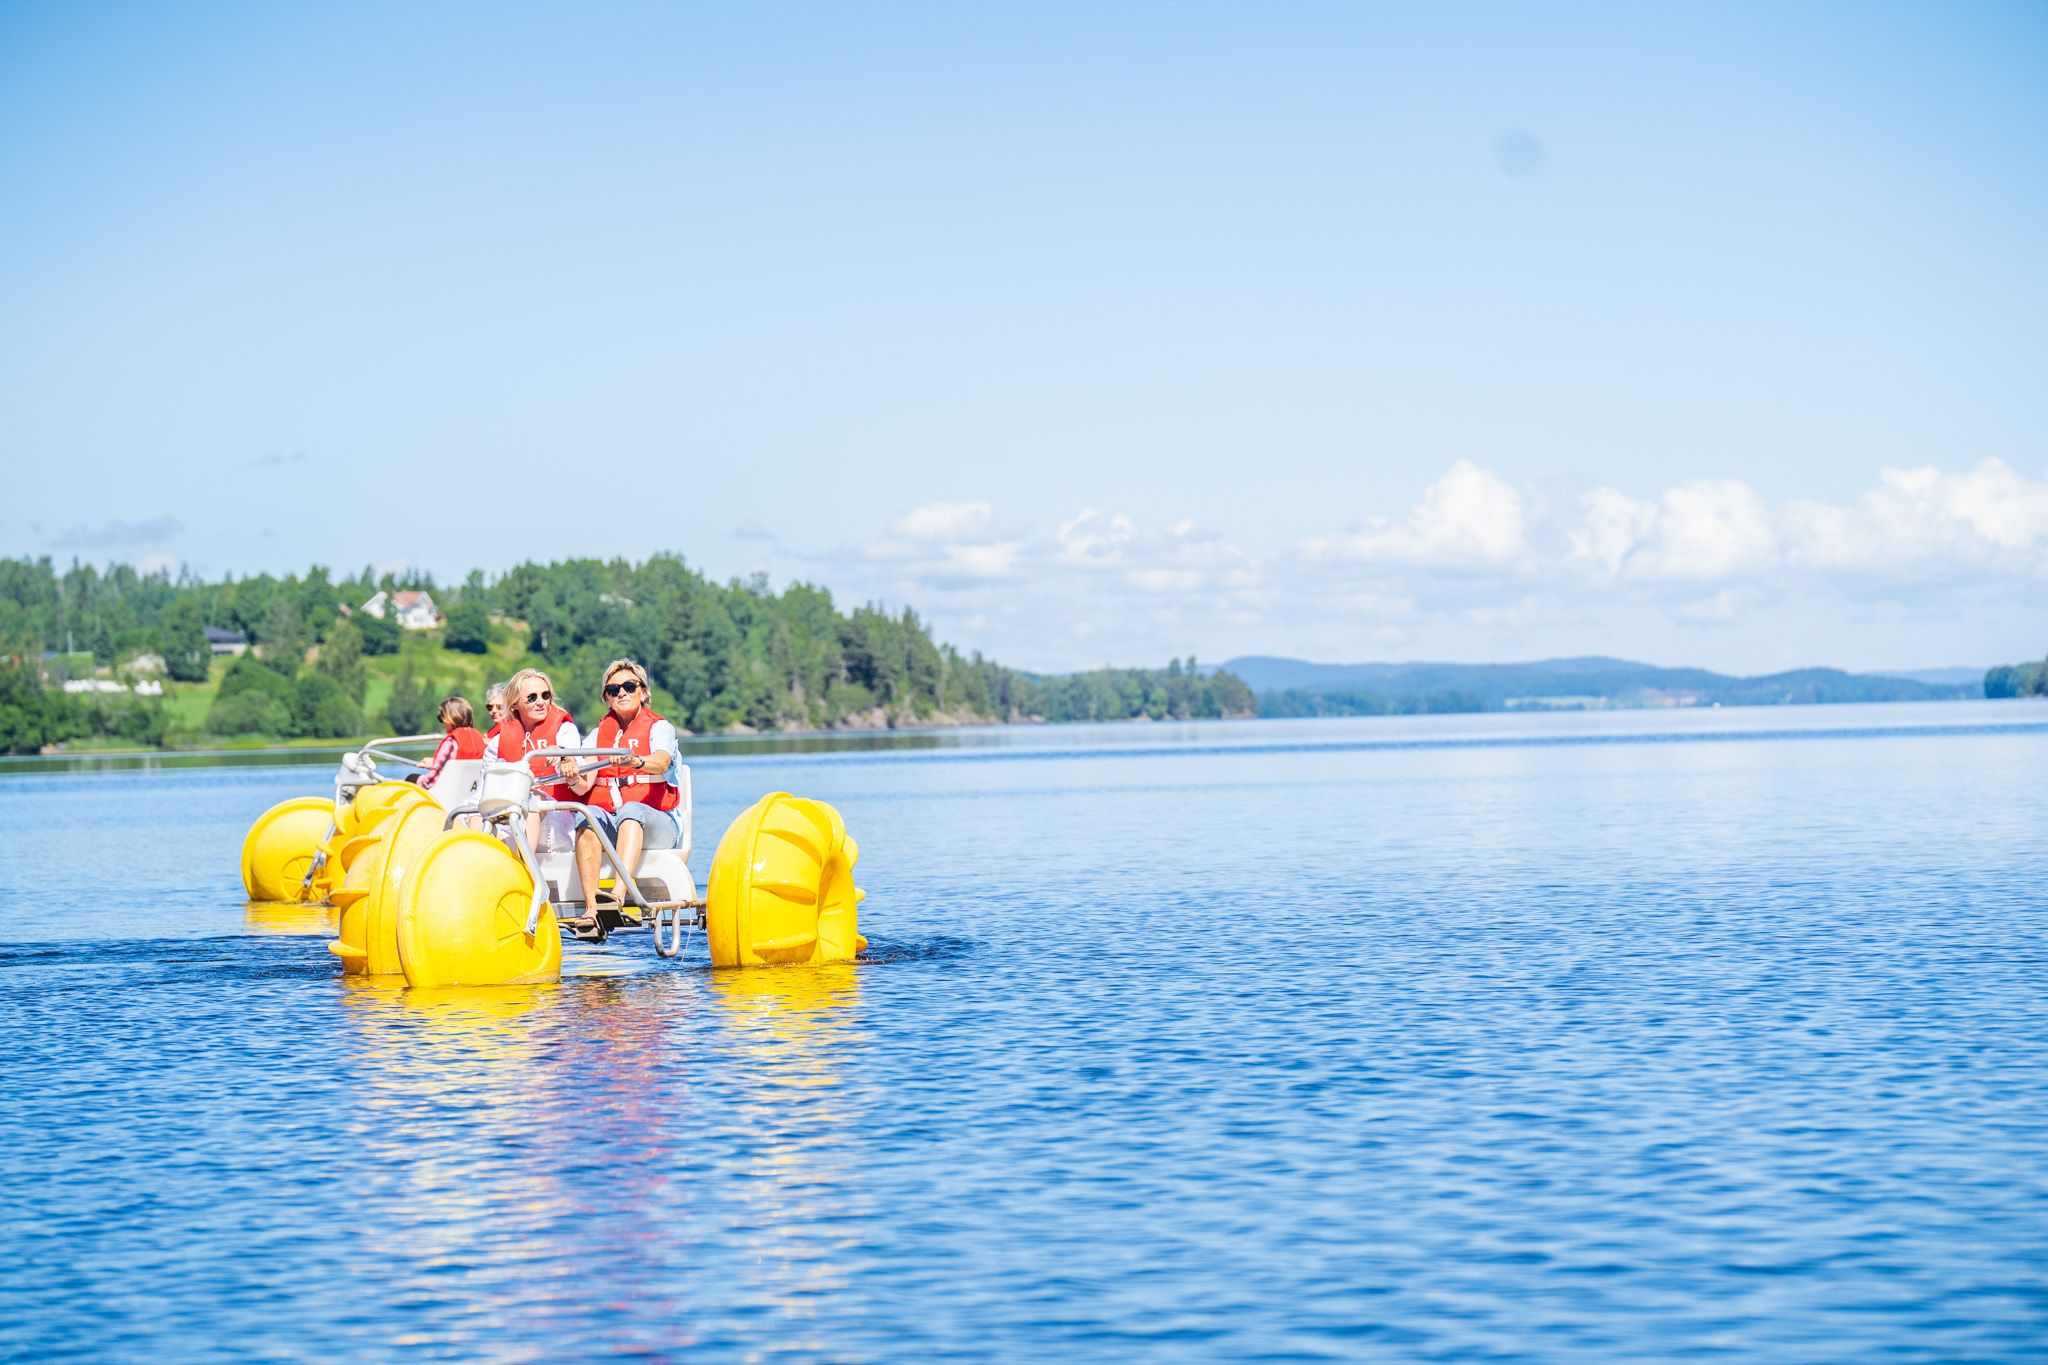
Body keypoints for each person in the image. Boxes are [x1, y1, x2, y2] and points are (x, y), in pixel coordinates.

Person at [560, 658, 681, 926]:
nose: (622, 693)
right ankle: (593, 909)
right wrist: (571, 773)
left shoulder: (659, 728)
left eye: (629, 686)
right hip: (618, 823)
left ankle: (617, 896)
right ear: (607, 698)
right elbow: (584, 783)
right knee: (588, 814)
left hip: (658, 824)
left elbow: (661, 761)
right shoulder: (598, 734)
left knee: (631, 809)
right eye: (613, 690)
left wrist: (635, 761)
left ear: (643, 692)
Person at [485, 667, 579, 854]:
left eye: (545, 695)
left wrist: (564, 756)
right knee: (475, 815)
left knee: (530, 801)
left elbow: (574, 761)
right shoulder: (497, 743)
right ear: (514, 704)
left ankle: (526, 869)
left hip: (555, 813)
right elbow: (486, 784)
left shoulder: (564, 731)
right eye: (532, 697)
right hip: (511, 811)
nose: (541, 702)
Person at [417, 696, 486, 791]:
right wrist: (435, 763)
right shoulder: (481, 739)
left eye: (441, 717)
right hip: (471, 793)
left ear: (450, 718)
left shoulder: (452, 742)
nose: (442, 722)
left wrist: (418, 781)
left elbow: (432, 780)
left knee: (411, 778)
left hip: (448, 795)